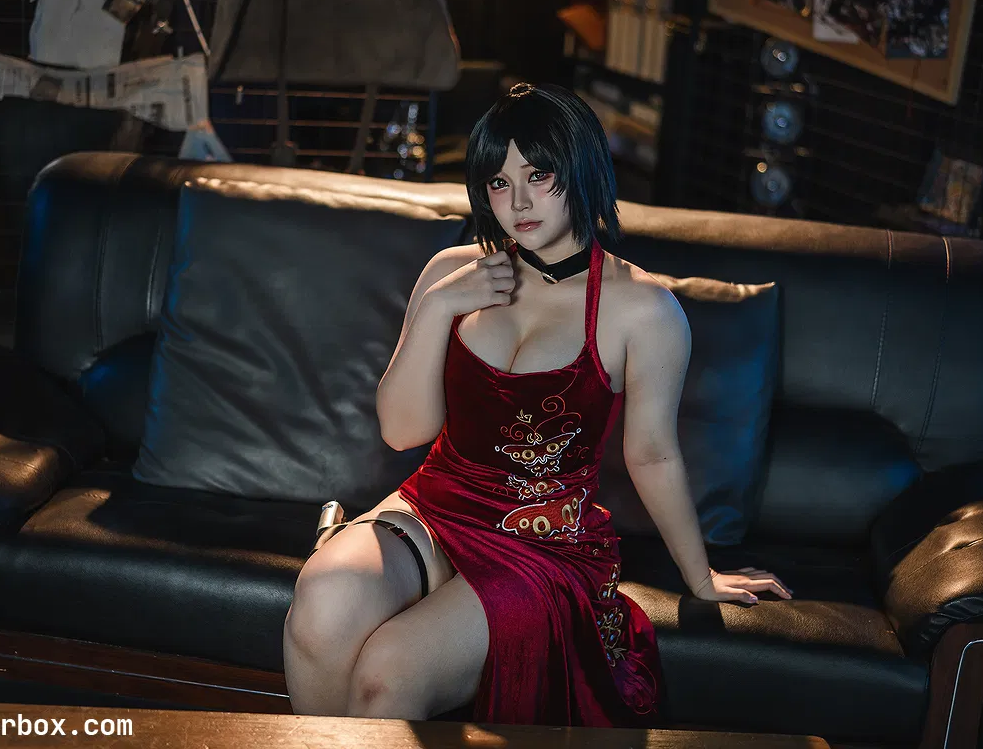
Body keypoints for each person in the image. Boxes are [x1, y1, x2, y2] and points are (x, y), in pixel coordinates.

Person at [283, 82, 792, 727]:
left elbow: (653, 455)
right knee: (321, 603)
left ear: (580, 168)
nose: (518, 201)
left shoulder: (645, 309)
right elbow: (402, 431)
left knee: (388, 675)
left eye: (538, 175)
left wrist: (700, 577)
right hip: (435, 506)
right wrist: (439, 306)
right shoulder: (452, 272)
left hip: (546, 537)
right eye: (498, 182)